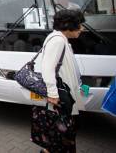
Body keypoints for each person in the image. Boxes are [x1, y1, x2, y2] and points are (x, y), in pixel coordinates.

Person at [37, 9, 86, 153]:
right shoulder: (57, 40)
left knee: (61, 133)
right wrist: (52, 93)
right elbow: (47, 68)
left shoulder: (60, 39)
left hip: (65, 94)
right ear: (67, 24)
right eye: (79, 24)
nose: (82, 28)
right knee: (61, 133)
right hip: (61, 96)